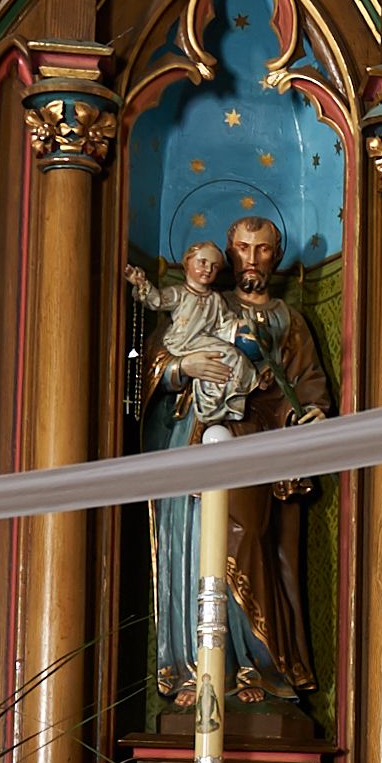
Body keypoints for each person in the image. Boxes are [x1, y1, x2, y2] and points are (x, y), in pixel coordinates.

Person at [145, 213, 331, 707]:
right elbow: (156, 360)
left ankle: (257, 666)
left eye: (263, 249)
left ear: (276, 256)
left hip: (257, 447)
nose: (252, 259)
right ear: (229, 254)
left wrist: (309, 411)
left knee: (249, 539)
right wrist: (182, 367)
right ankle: (202, 668)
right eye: (243, 248)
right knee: (194, 544)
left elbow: (306, 383)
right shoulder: (207, 301)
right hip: (198, 440)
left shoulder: (289, 320)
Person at [126, 238, 270, 429]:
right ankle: (209, 408)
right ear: (187, 263)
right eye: (202, 262)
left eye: (214, 266)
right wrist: (142, 283)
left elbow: (223, 324)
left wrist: (241, 325)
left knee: (233, 356)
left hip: (205, 341)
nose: (208, 269)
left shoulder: (215, 299)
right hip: (182, 341)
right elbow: (157, 300)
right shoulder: (179, 293)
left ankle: (238, 392)